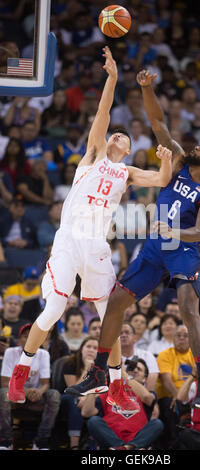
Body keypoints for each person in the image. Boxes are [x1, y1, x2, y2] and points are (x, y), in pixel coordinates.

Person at [8, 48, 172, 415]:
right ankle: (22, 369)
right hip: (69, 238)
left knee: (110, 314)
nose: (115, 136)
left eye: (122, 138)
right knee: (52, 310)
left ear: (129, 149)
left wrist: (166, 160)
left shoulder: (127, 173)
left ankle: (114, 384)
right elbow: (103, 113)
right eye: (114, 134)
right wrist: (112, 78)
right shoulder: (94, 154)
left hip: (97, 244)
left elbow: (162, 179)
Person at [70, 67, 200, 410]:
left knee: (189, 307)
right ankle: (100, 369)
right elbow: (159, 124)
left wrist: (175, 231)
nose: (196, 144)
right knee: (115, 303)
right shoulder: (181, 160)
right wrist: (146, 89)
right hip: (155, 249)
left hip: (183, 250)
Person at [0, 323, 61, 450]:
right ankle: (6, 439)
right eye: (25, 336)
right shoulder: (10, 352)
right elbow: (5, 383)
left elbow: (46, 384)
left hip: (36, 397)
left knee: (54, 395)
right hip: (14, 396)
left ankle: (41, 440)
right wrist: (25, 391)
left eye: (32, 336)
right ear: (19, 339)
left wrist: (39, 391)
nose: (28, 339)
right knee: (2, 393)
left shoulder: (43, 354)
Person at [80, 359, 163, 450]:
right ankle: (125, 447)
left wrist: (123, 374)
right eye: (132, 368)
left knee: (157, 424)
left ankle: (126, 447)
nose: (135, 371)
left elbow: (147, 397)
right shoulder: (108, 391)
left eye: (139, 369)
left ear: (145, 378)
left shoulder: (147, 393)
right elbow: (86, 412)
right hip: (111, 437)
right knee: (93, 420)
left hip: (137, 437)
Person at [156, 324, 195, 447]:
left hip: (192, 396)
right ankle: (174, 443)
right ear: (173, 338)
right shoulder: (165, 354)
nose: (182, 338)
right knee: (172, 405)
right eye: (178, 335)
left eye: (186, 336)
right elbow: (166, 379)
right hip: (170, 395)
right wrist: (177, 397)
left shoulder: (195, 355)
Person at [60, 336, 99, 449]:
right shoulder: (70, 363)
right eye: (88, 346)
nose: (91, 350)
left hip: (88, 399)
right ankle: (74, 445)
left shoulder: (102, 367)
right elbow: (74, 391)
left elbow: (101, 390)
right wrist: (87, 370)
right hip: (67, 397)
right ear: (81, 349)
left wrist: (86, 399)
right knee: (74, 401)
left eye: (95, 348)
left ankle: (96, 443)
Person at [120, 321, 159, 391]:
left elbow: (152, 379)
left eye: (127, 332)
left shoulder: (147, 355)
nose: (124, 335)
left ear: (135, 337)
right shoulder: (110, 358)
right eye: (120, 333)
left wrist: (146, 399)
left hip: (142, 396)